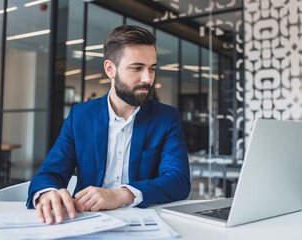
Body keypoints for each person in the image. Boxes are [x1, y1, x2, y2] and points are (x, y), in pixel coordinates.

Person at [27, 25, 190, 224]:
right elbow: (51, 172)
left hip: (145, 223)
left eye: (152, 69)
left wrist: (120, 195)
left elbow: (178, 180)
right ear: (110, 69)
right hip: (86, 220)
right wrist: (48, 194)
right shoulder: (80, 116)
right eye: (137, 68)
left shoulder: (166, 117)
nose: (148, 78)